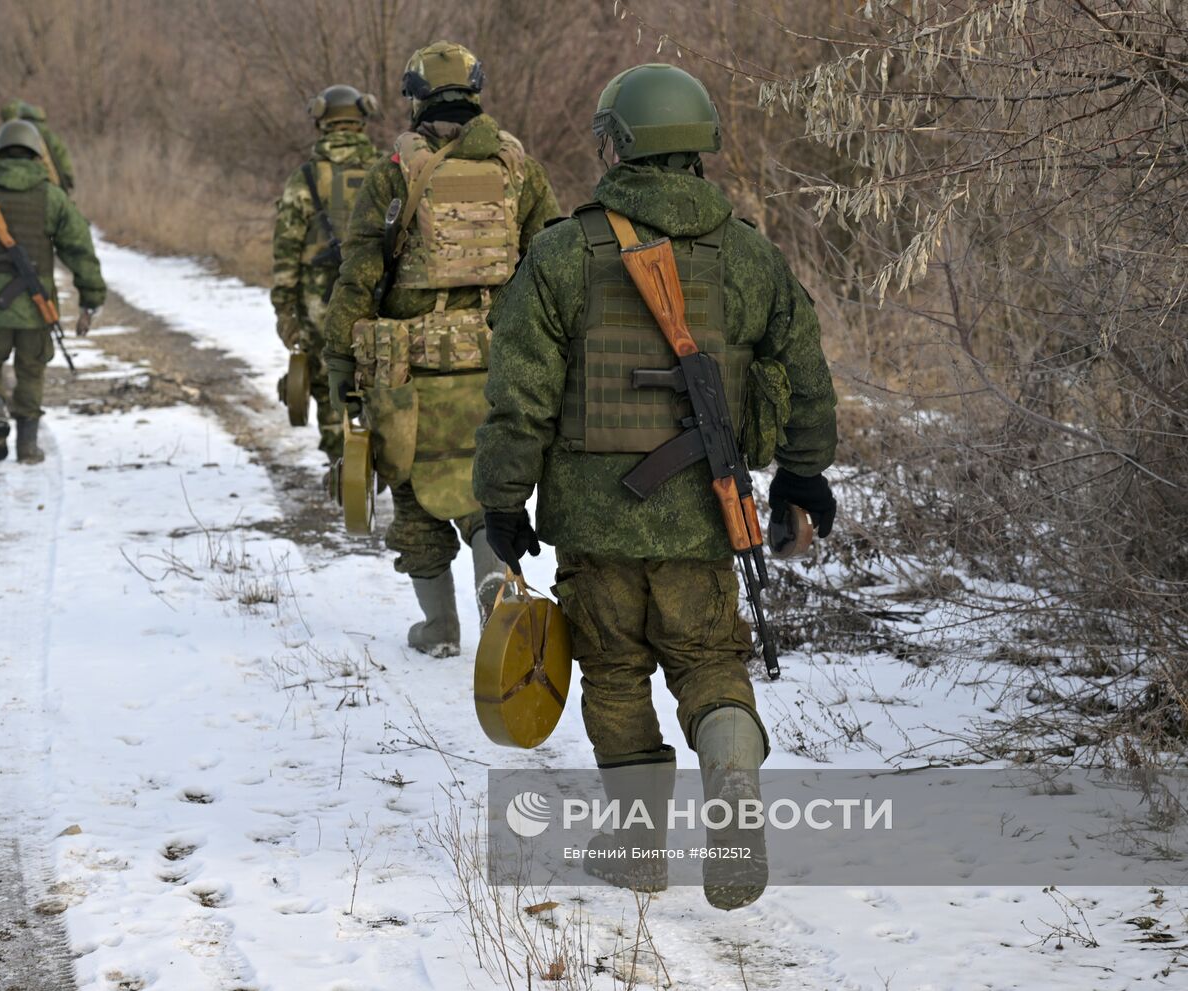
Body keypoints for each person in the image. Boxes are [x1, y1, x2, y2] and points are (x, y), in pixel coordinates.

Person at [472, 64, 839, 910]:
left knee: (613, 672)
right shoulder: (749, 254)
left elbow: (519, 394)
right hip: (706, 517)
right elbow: (806, 373)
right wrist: (802, 476)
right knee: (712, 663)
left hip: (594, 528)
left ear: (622, 144)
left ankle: (639, 848)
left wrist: (502, 499)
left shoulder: (562, 252)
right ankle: (735, 788)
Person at [323, 41, 559, 657]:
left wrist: (339, 364)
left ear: (414, 99)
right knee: (489, 488)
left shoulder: (393, 174)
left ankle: (439, 629)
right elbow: (553, 265)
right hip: (500, 363)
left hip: (412, 367)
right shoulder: (519, 170)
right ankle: (493, 586)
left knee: (413, 495)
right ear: (475, 94)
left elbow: (357, 276)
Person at [0, 120, 106, 464]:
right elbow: (80, 250)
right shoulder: (52, 197)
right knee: (31, 370)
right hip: (36, 304)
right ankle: (27, 446)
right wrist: (91, 299)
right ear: (36, 155)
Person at [271, 84, 381, 464]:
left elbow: (286, 249)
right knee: (381, 369)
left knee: (326, 376)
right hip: (377, 291)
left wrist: (284, 309)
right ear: (361, 121)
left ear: (321, 123)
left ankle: (341, 457)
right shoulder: (387, 170)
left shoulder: (305, 178)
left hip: (319, 298)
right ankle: (384, 449)